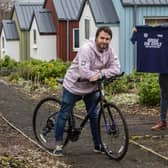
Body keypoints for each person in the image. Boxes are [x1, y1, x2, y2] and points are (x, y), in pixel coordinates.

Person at [53, 26, 121, 156]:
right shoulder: (86, 49)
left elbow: (116, 69)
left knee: (94, 116)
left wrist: (100, 74)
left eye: (107, 39)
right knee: (64, 114)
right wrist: (96, 75)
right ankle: (58, 145)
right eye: (102, 38)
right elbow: (85, 72)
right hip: (74, 86)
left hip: (92, 87)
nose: (104, 41)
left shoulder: (110, 51)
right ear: (96, 38)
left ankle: (98, 145)